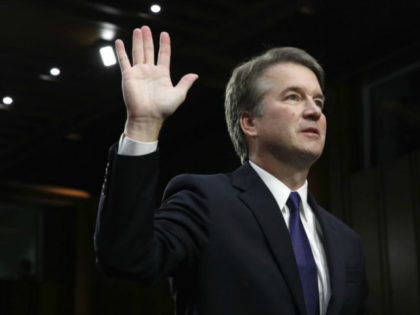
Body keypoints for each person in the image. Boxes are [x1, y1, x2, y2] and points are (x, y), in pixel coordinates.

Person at [94, 25, 368, 315]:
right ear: (250, 122)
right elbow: (125, 259)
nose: (314, 111)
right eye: (293, 97)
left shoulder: (346, 241)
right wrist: (143, 124)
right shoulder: (206, 201)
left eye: (319, 101)